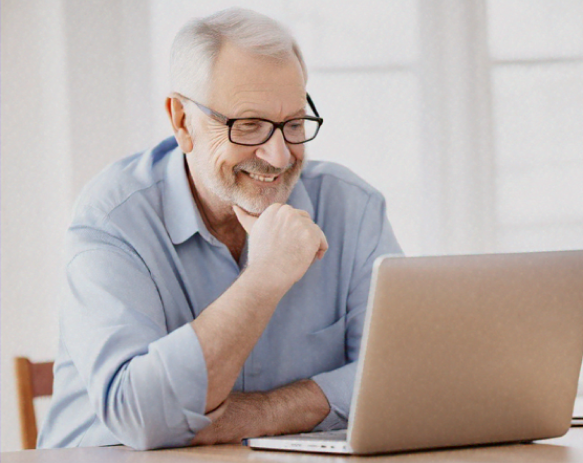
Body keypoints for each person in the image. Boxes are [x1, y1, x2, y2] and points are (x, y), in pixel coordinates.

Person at [38, 8, 402, 450]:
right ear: (181, 121)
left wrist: (261, 413)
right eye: (248, 125)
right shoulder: (112, 219)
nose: (279, 157)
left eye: (292, 124)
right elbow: (142, 416)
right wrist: (267, 276)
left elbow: (400, 378)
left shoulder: (352, 208)